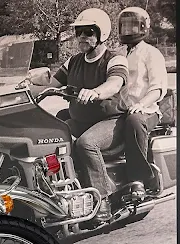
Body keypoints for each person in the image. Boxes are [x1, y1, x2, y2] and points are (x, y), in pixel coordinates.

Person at [29, 8, 129, 222]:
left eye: (89, 32)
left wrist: (95, 92)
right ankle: (58, 196)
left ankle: (103, 201)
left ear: (102, 34)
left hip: (112, 121)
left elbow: (114, 83)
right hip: (80, 120)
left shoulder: (115, 59)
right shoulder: (73, 61)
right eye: (78, 32)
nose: (82, 36)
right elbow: (51, 85)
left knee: (86, 143)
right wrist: (23, 92)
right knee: (48, 139)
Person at [115, 6, 168, 198]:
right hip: (119, 109)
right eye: (124, 26)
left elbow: (157, 88)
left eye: (133, 26)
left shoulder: (151, 53)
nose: (128, 30)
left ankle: (138, 180)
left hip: (147, 110)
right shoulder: (117, 53)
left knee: (134, 120)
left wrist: (141, 104)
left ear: (144, 27)